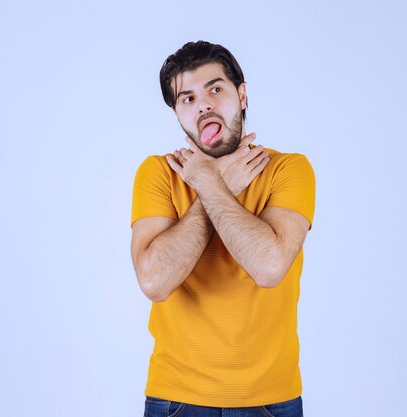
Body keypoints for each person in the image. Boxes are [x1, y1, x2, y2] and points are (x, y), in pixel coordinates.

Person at [130, 41, 315, 417]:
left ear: (241, 95)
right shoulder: (159, 173)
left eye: (216, 89)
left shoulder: (289, 170)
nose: (204, 105)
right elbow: (154, 281)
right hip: (176, 400)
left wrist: (211, 184)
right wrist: (219, 187)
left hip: (272, 401)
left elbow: (268, 268)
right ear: (177, 114)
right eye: (187, 98)